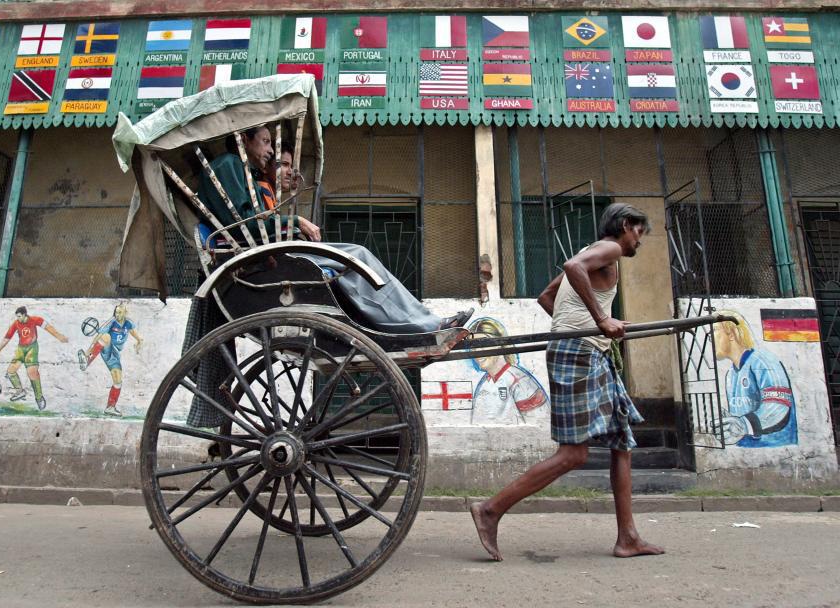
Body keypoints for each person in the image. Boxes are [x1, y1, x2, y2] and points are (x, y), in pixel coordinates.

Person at [470, 203, 664, 561]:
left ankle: (629, 537)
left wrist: (581, 327)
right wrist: (601, 320)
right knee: (574, 454)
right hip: (579, 354)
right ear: (625, 225)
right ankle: (490, 509)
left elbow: (547, 297)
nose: (640, 240)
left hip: (589, 352)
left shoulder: (593, 253)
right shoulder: (609, 248)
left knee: (621, 441)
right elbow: (572, 269)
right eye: (639, 231)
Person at [196, 126, 471, 334]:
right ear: (244, 138)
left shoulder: (244, 174)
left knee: (355, 255)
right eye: (266, 142)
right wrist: (294, 223)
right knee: (356, 256)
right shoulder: (228, 165)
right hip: (260, 260)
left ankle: (415, 322)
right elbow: (245, 225)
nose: (270, 151)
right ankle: (420, 324)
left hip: (267, 253)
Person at [713, 310, 797, 447]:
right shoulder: (731, 374)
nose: (711, 338)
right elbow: (742, 416)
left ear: (732, 333)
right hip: (747, 448)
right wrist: (729, 421)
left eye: (715, 331)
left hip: (774, 448)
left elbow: (778, 406)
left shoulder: (763, 361)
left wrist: (743, 424)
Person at [468, 317, 548, 425]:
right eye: (473, 346)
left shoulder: (520, 381)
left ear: (500, 343)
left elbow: (542, 425)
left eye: (483, 343)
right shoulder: (484, 383)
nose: (476, 351)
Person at [0, 306, 68, 411]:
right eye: (17, 316)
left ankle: (39, 397)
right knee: (10, 371)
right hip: (20, 349)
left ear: (24, 315)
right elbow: (7, 338)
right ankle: (20, 391)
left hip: (32, 348)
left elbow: (48, 327)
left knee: (32, 372)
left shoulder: (34, 319)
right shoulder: (16, 323)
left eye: (19, 316)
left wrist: (59, 336)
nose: (18, 318)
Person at [78, 303, 144, 417]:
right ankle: (86, 361)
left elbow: (133, 333)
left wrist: (139, 341)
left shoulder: (128, 323)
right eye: (116, 312)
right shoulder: (112, 322)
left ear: (125, 313)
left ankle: (110, 407)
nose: (117, 314)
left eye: (119, 312)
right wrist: (88, 351)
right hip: (107, 348)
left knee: (118, 380)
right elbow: (99, 335)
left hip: (115, 354)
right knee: (106, 336)